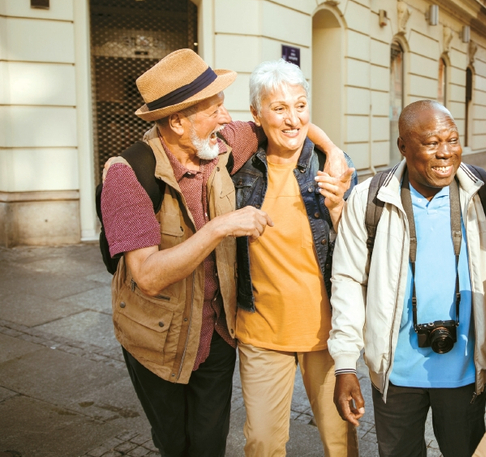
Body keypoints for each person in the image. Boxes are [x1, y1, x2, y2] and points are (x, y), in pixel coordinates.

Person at [100, 49, 346, 457]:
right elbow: (146, 274)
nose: (226, 118)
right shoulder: (127, 175)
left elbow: (284, 120)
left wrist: (332, 149)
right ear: (178, 121)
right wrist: (219, 228)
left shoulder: (219, 144)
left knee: (210, 443)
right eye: (214, 110)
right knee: (175, 444)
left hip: (215, 333)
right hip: (158, 338)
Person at [328, 100, 486, 457]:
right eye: (431, 143)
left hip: (466, 371)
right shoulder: (369, 200)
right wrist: (345, 364)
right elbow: (347, 281)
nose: (446, 153)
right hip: (394, 373)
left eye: (452, 140)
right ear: (403, 147)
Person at [232, 59, 358, 456]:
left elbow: (362, 249)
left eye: (300, 106)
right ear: (256, 114)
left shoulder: (332, 166)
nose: (293, 119)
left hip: (327, 334)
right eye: (279, 108)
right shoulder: (239, 169)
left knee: (340, 442)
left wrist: (339, 211)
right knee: (263, 443)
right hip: (262, 332)